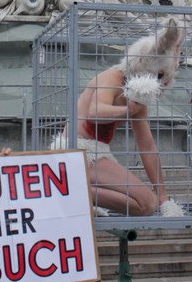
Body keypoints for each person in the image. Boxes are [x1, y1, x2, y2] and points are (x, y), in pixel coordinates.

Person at [70, 17, 185, 216]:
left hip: (96, 153)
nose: (159, 85)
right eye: (158, 77)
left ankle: (80, 194)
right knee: (147, 203)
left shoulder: (138, 96)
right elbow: (95, 113)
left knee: (147, 204)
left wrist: (164, 197)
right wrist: (127, 111)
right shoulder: (113, 77)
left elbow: (147, 146)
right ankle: (73, 192)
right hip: (78, 151)